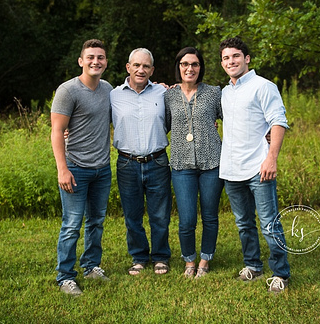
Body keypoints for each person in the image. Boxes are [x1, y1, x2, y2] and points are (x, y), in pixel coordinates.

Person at [217, 37, 291, 293]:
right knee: (243, 223)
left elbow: (278, 122)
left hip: (259, 168)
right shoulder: (225, 92)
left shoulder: (264, 86)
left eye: (235, 56)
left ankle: (281, 273)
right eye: (226, 58)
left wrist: (271, 157)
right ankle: (253, 266)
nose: (231, 61)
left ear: (247, 58)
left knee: (269, 224)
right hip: (231, 168)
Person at [50, 39, 114, 296]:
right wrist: (62, 168)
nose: (95, 62)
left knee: (96, 222)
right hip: (76, 168)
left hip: (102, 168)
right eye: (90, 57)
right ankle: (65, 276)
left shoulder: (108, 89)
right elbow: (56, 131)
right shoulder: (68, 90)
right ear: (81, 61)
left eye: (100, 57)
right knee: (72, 224)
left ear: (106, 62)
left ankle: (91, 266)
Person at [111, 48, 173, 276]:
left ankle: (160, 257)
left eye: (146, 66)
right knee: (132, 215)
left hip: (157, 161)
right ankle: (139, 257)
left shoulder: (163, 94)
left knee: (160, 215)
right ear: (128, 67)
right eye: (136, 65)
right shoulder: (113, 95)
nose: (141, 69)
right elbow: (94, 119)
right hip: (127, 163)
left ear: (152, 70)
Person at [164, 47, 223, 279]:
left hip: (211, 163)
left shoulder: (214, 93)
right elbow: (161, 124)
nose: (190, 68)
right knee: (186, 218)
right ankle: (189, 260)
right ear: (178, 67)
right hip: (181, 166)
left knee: (210, 216)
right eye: (185, 64)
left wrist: (265, 132)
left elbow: (236, 118)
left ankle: (205, 260)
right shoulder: (167, 95)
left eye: (195, 64)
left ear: (201, 68)